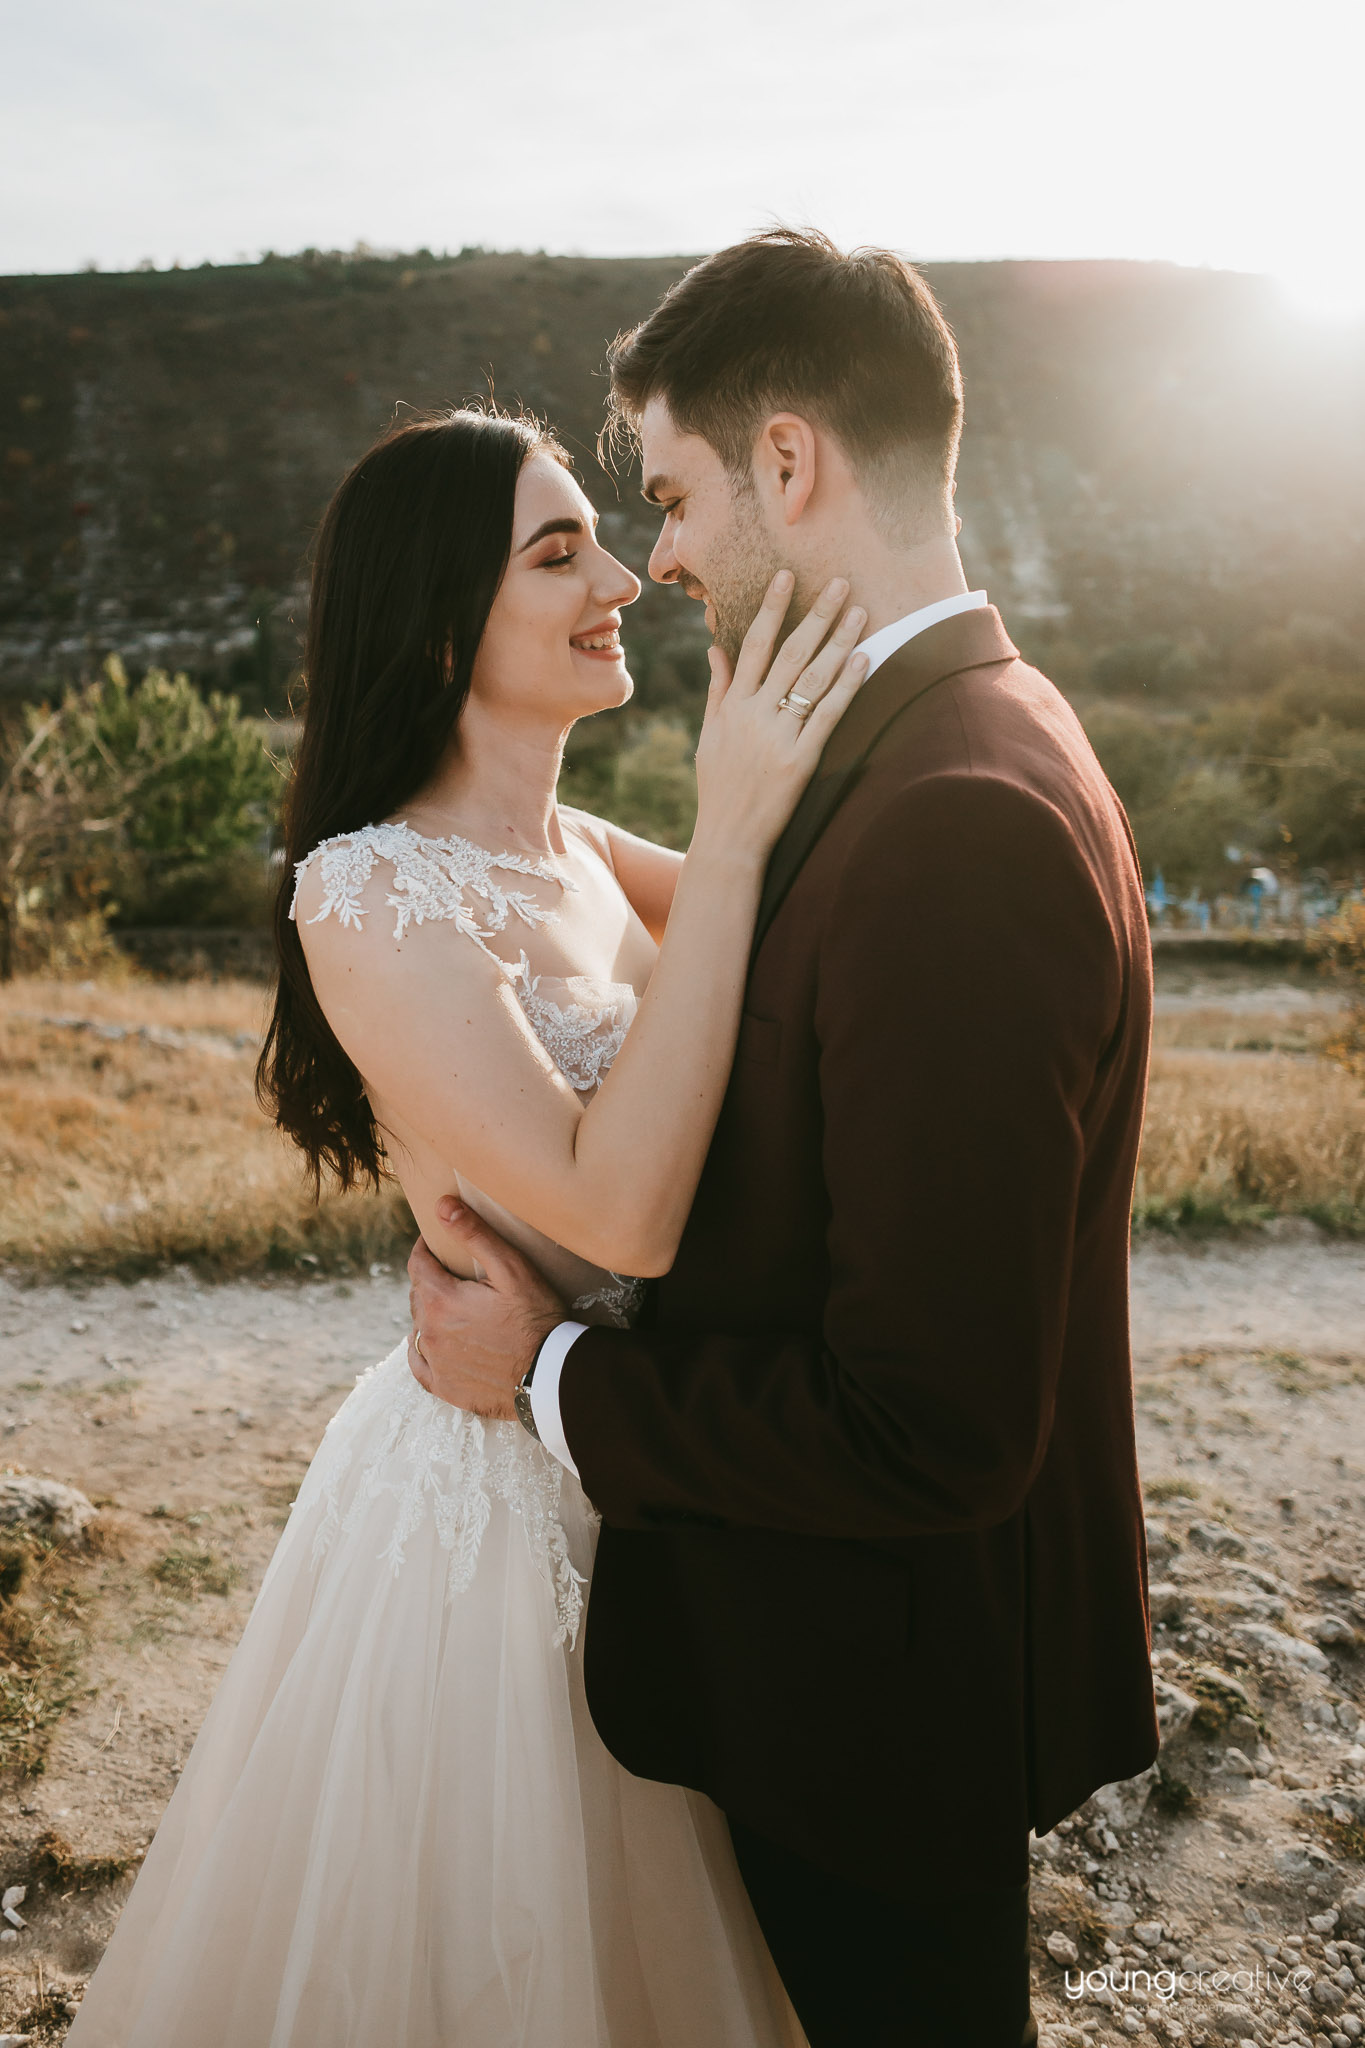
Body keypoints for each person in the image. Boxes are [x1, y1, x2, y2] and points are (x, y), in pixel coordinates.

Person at [406, 229, 1161, 2048]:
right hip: (850, 1665)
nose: (654, 556)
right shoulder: (959, 731)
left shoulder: (952, 818)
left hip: (874, 1700)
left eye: (664, 492)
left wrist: (547, 1376)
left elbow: (932, 1425)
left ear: (792, 461)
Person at [66, 402, 870, 2048]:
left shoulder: (580, 850)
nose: (620, 580)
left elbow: (807, 932)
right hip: (494, 1509)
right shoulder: (366, 888)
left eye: (606, 534)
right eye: (556, 550)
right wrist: (727, 834)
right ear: (439, 620)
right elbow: (620, 1214)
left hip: (665, 1468)